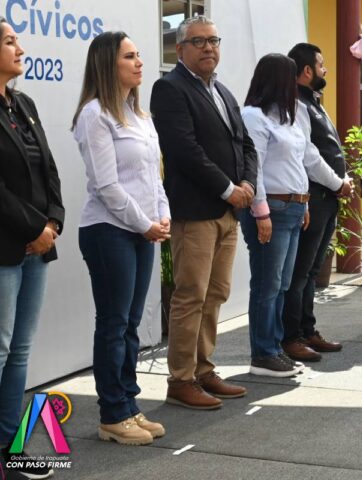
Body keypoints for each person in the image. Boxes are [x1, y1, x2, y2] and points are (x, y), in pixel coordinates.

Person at [150, 16, 257, 410]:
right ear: (179, 49)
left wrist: (247, 183)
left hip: (228, 212)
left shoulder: (223, 91)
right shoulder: (170, 88)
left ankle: (203, 369)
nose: (209, 47)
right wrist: (229, 189)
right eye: (198, 41)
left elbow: (246, 145)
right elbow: (184, 150)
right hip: (195, 212)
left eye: (213, 40)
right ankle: (180, 380)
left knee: (216, 294)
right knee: (190, 296)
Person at [72, 31, 170, 445]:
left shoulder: (141, 116)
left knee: (130, 323)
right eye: (130, 56)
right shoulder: (94, 114)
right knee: (113, 324)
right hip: (109, 231)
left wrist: (162, 215)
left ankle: (129, 405)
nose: (139, 62)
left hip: (142, 230)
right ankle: (112, 415)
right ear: (107, 64)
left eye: (138, 55)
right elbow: (107, 186)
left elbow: (154, 178)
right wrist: (145, 223)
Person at [241, 53, 350, 377]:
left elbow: (305, 160)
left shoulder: (289, 117)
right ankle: (263, 354)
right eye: (290, 79)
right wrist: (260, 212)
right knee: (267, 285)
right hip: (271, 209)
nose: (295, 85)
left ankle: (275, 348)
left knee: (282, 284)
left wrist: (305, 202)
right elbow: (255, 168)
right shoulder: (254, 116)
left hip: (294, 207)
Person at [0, 16, 64, 480]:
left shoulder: (24, 103)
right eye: (9, 41)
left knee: (20, 351)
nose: (20, 48)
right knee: (0, 350)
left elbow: (49, 170)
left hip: (38, 246)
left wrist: (53, 222)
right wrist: (32, 227)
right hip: (6, 247)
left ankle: (9, 445)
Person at [281, 42, 348, 362]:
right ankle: (291, 336)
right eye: (322, 65)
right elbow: (308, 156)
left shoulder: (312, 102)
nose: (325, 70)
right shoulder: (296, 104)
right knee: (300, 273)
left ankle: (307, 330)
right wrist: (338, 182)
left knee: (311, 271)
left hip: (327, 198)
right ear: (307, 70)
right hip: (314, 197)